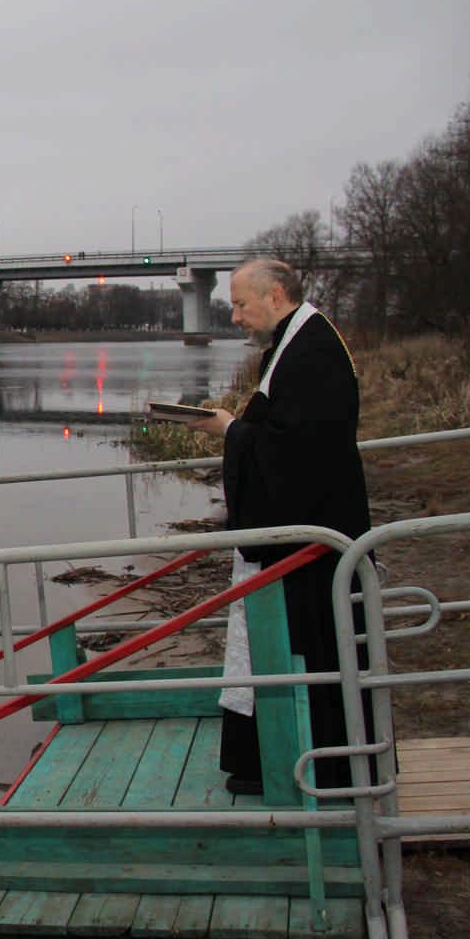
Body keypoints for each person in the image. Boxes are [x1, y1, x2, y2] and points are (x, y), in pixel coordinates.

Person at [187, 258, 371, 793]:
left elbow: (297, 452)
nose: (236, 317)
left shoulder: (311, 352)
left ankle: (321, 769)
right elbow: (291, 440)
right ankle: (284, 762)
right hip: (311, 530)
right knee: (302, 653)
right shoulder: (300, 342)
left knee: (309, 652)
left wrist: (232, 431)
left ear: (276, 295)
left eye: (241, 304)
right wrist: (240, 432)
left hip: (314, 542)